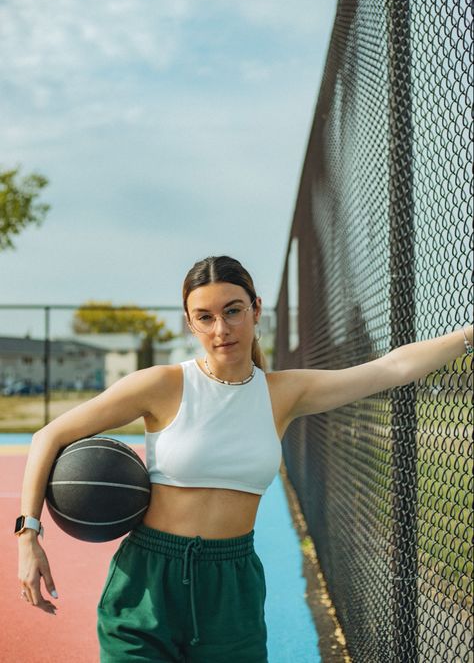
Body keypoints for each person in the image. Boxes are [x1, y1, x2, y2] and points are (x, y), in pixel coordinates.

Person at [16, 255, 473, 662]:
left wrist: (469, 335)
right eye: (206, 316)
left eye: (233, 311)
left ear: (256, 310)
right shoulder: (161, 384)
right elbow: (49, 435)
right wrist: (28, 536)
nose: (222, 329)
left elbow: (390, 368)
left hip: (231, 584)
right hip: (146, 580)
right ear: (190, 323)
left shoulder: (284, 393)